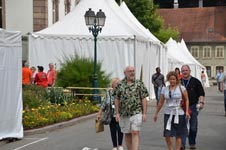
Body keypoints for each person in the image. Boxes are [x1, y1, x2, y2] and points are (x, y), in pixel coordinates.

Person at [113, 66, 149, 150]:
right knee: (127, 134)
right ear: (125, 73)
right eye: (130, 71)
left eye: (133, 71)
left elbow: (144, 98)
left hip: (136, 112)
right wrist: (117, 113)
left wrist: (144, 113)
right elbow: (116, 99)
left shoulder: (139, 84)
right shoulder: (120, 85)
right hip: (124, 113)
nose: (132, 72)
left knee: (135, 132)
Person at [153, 71, 190, 150]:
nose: (172, 81)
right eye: (170, 79)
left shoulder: (181, 88)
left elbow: (186, 100)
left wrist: (186, 111)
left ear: (177, 79)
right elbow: (161, 102)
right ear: (168, 80)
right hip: (168, 113)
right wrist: (156, 113)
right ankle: (170, 148)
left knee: (178, 134)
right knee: (167, 134)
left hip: (179, 113)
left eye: (174, 79)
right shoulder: (164, 89)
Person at [180, 65, 205, 150]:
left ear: (190, 71)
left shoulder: (196, 81)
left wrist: (201, 102)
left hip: (193, 106)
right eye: (183, 71)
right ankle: (182, 144)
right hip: (181, 107)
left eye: (186, 70)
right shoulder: (178, 82)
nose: (185, 72)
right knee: (182, 126)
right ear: (181, 72)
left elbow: (201, 93)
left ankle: (192, 142)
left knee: (193, 127)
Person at [97, 78, 124, 150]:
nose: (118, 85)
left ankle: (120, 145)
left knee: (120, 130)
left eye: (119, 83)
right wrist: (99, 114)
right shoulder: (108, 93)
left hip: (120, 115)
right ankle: (114, 146)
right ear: (112, 85)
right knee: (113, 131)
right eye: (116, 83)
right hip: (111, 115)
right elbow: (103, 104)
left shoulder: (122, 93)